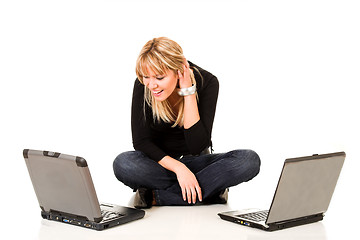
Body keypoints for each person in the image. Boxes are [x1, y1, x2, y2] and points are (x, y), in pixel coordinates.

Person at [113, 37, 260, 208]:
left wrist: (188, 92)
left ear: (178, 70)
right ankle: (207, 192)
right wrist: (179, 169)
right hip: (159, 164)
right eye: (146, 76)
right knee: (124, 163)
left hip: (198, 163)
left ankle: (155, 196)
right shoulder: (143, 85)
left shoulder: (208, 82)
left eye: (159, 77)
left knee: (248, 160)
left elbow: (197, 146)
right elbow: (141, 142)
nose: (151, 85)